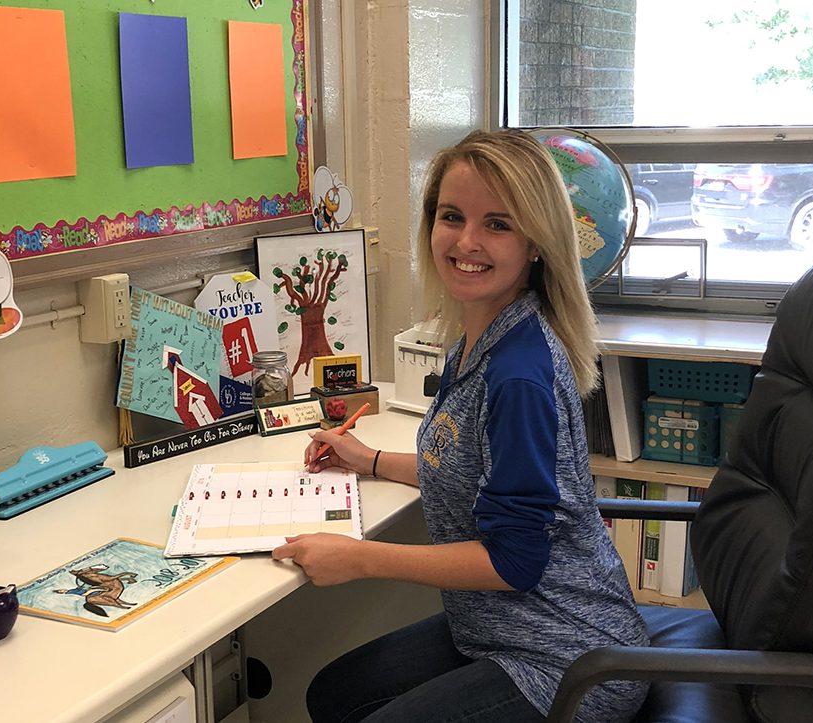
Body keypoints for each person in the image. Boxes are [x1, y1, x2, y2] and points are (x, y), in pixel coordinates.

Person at [271, 129, 649, 722]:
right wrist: (369, 460)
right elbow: (470, 467)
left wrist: (360, 558)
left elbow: (514, 561)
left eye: (498, 224)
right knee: (334, 696)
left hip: (567, 658)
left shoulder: (519, 374)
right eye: (452, 217)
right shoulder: (480, 335)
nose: (466, 241)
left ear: (537, 242)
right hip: (499, 628)